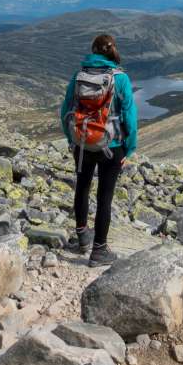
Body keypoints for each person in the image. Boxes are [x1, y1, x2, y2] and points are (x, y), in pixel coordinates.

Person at [59, 34, 138, 267]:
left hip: (82, 143)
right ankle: (99, 251)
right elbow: (130, 118)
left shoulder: (78, 76)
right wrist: (129, 149)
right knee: (105, 197)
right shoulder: (120, 79)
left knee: (82, 187)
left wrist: (71, 139)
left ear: (93, 51)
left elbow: (65, 110)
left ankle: (83, 237)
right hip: (111, 146)